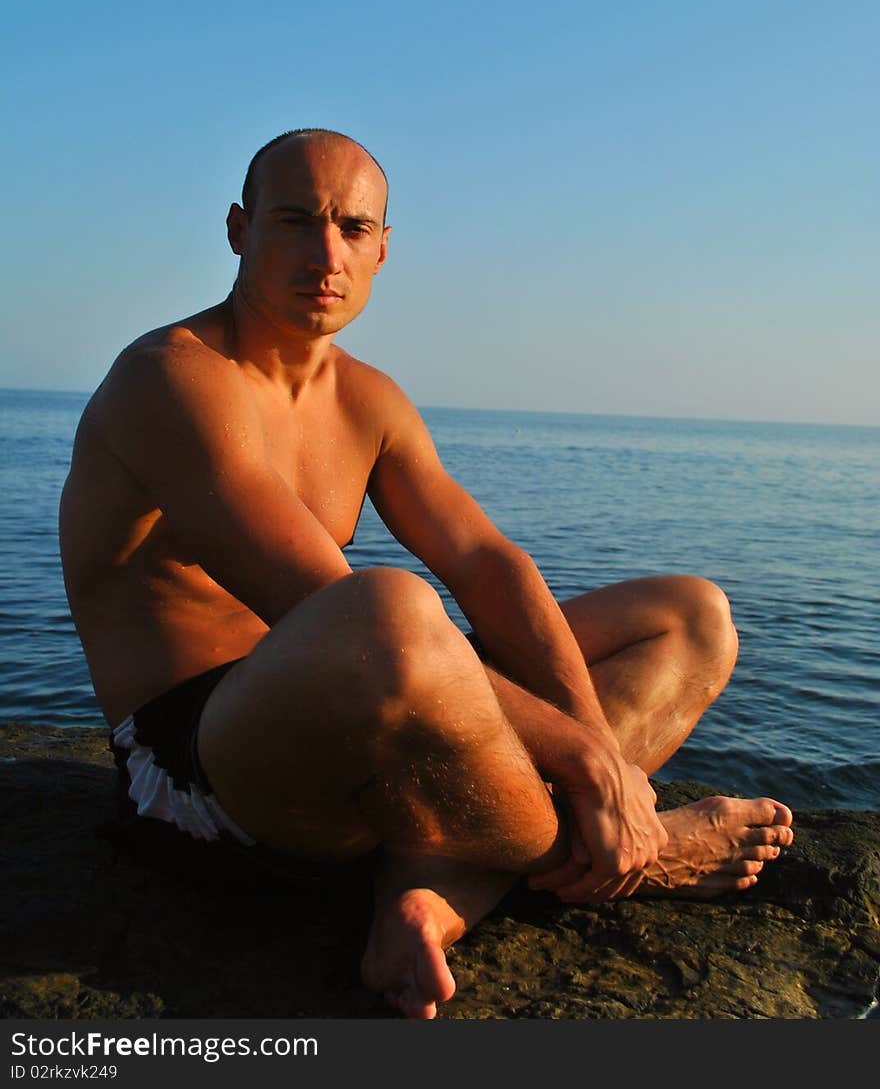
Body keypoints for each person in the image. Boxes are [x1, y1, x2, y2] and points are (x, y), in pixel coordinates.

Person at [59, 128, 794, 1020]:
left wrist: (595, 743)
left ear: (382, 247)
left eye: (353, 228)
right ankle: (640, 856)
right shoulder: (171, 379)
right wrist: (586, 767)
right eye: (295, 221)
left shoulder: (368, 398)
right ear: (237, 229)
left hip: (353, 730)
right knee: (390, 610)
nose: (326, 253)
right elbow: (325, 607)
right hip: (203, 774)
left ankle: (430, 897)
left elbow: (486, 563)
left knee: (691, 616)